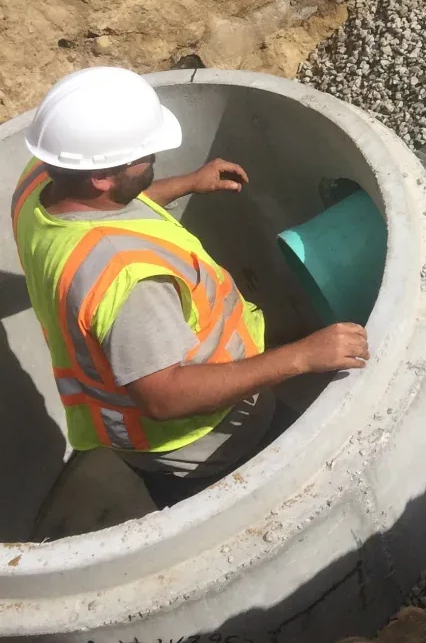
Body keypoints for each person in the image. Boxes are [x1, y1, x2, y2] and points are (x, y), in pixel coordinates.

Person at [12, 66, 369, 510]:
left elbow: (112, 208)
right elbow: (164, 396)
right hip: (205, 447)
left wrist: (187, 183)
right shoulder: (128, 281)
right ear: (100, 176)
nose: (153, 159)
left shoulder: (39, 182)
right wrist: (303, 356)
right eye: (143, 156)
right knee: (290, 504)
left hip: (151, 445)